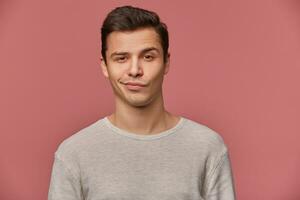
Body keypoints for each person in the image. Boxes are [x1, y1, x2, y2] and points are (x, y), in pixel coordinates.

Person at [48, 5, 236, 200]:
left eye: (148, 57)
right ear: (105, 66)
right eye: (121, 58)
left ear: (166, 63)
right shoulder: (73, 154)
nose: (135, 70)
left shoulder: (207, 147)